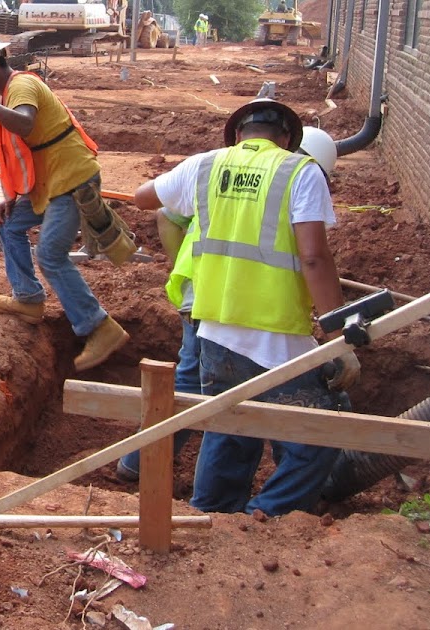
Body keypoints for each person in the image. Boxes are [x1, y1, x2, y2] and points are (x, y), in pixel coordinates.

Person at [130, 99, 360, 517]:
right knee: (320, 434)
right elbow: (314, 258)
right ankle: (265, 516)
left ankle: (213, 514)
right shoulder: (300, 171)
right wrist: (338, 336)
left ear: (238, 134)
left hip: (215, 328)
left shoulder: (204, 165)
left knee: (230, 425)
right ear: (288, 138)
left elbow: (143, 197)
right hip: (275, 335)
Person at [0, 30, 135, 371]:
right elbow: (20, 153)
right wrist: (14, 197)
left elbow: (25, 124)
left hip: (70, 180)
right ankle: (28, 299)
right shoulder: (7, 93)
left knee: (51, 255)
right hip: (49, 185)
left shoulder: (21, 86)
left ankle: (99, 327)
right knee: (9, 226)